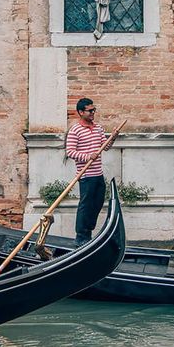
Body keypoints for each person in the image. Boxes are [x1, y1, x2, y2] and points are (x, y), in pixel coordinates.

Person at [65, 97, 114, 245]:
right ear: (81, 112)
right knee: (85, 206)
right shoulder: (75, 130)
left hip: (98, 174)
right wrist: (87, 157)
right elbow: (70, 152)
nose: (93, 113)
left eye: (94, 110)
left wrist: (113, 138)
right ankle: (81, 237)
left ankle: (88, 232)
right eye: (90, 110)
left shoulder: (98, 128)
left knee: (98, 203)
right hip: (85, 175)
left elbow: (105, 147)